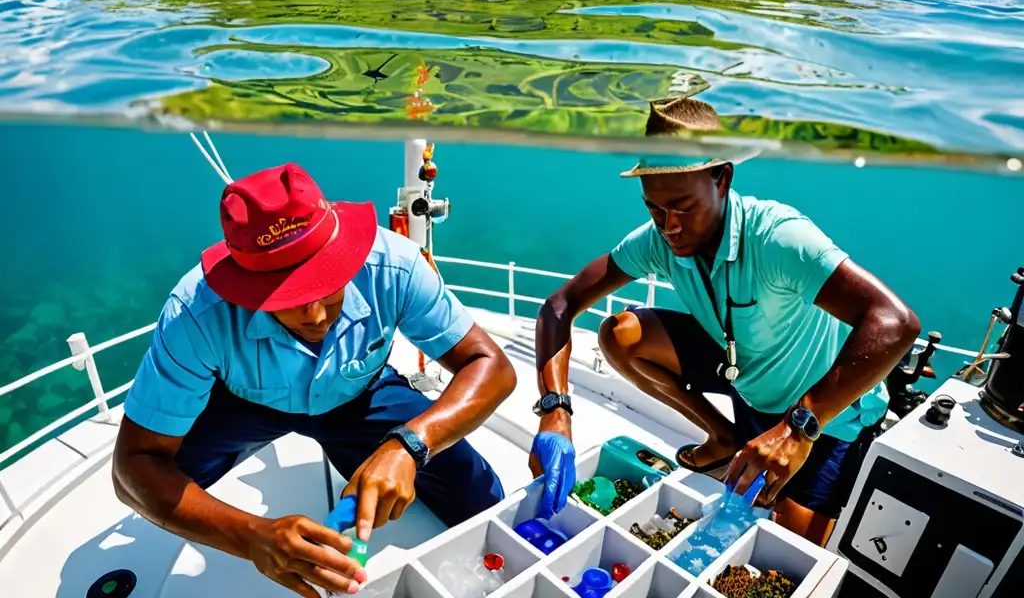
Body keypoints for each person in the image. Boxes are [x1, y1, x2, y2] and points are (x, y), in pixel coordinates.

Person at [529, 97, 920, 546]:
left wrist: (799, 430)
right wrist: (555, 410)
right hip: (747, 378)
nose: (668, 226)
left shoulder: (778, 236)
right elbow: (561, 305)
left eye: (682, 207)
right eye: (654, 209)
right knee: (619, 335)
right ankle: (724, 434)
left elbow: (894, 321)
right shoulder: (661, 238)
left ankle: (773, 442)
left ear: (723, 179)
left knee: (785, 550)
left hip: (821, 415)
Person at [113, 162, 516, 598]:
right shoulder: (195, 314)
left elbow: (491, 365)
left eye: (328, 281)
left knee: (478, 499)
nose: (317, 315)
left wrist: (410, 444)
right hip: (243, 403)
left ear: (347, 251)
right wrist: (250, 536)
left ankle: (377, 453)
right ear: (243, 284)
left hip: (360, 394)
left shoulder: (394, 264)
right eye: (287, 297)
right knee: (161, 481)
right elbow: (131, 467)